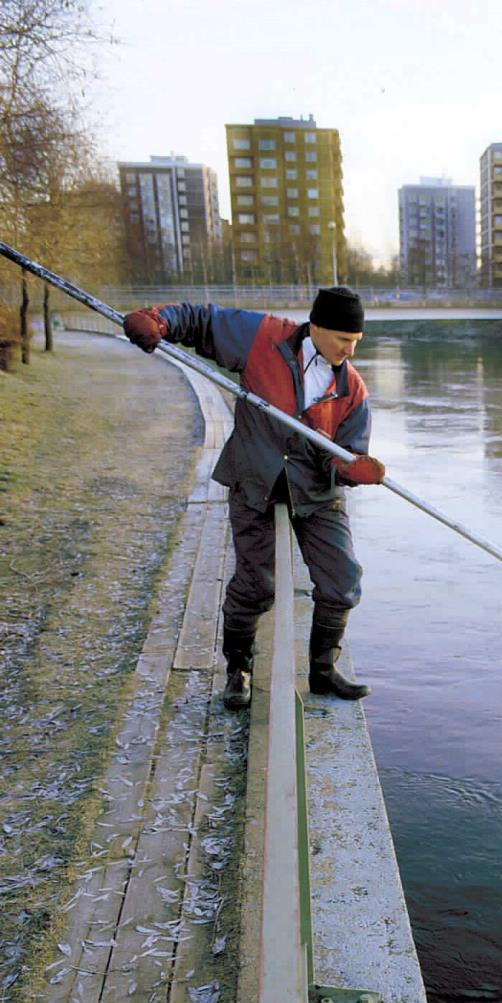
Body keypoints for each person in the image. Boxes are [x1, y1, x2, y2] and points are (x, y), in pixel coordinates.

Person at [123, 286, 385, 709]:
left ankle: (323, 672)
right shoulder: (263, 337)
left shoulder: (352, 390)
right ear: (315, 327)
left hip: (316, 494)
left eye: (356, 343)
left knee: (343, 581)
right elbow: (201, 320)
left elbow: (349, 451)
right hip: (254, 481)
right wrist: (157, 320)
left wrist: (350, 468)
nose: (350, 351)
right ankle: (237, 671)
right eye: (343, 341)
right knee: (256, 585)